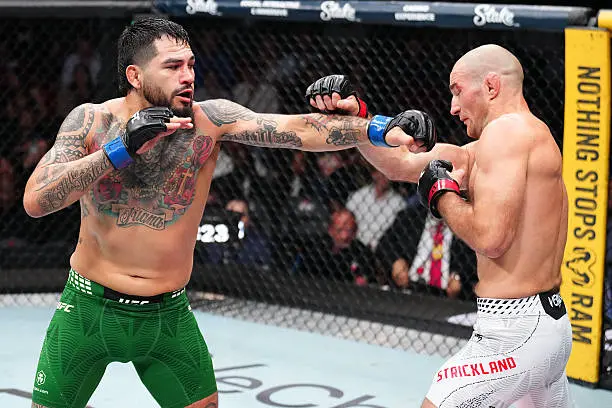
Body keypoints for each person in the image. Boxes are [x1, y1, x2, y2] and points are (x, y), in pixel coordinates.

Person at [23, 18, 435, 408]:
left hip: (168, 315)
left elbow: (299, 130)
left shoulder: (210, 120)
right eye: (173, 66)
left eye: (191, 65)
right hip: (89, 310)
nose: (188, 76)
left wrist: (381, 127)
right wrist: (121, 149)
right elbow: (37, 200)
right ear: (135, 75)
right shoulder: (92, 121)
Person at [306, 44, 572, 407]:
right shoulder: (512, 140)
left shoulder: (506, 134)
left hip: (515, 330)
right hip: (544, 322)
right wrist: (359, 120)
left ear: (491, 86)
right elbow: (399, 165)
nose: (453, 107)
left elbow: (491, 239)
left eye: (458, 91)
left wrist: (442, 195)